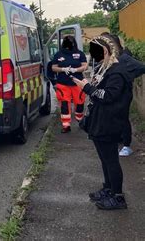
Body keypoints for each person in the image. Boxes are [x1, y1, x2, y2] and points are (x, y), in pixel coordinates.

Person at [72, 35, 129, 210]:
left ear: (104, 51)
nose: (92, 54)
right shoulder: (105, 68)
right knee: (105, 160)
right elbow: (99, 90)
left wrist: (86, 88)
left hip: (109, 123)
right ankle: (109, 189)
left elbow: (107, 96)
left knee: (111, 160)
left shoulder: (117, 72)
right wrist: (87, 84)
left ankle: (118, 197)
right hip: (100, 121)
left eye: (94, 50)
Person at [106, 34, 145, 157]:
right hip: (114, 93)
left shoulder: (124, 57)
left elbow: (141, 67)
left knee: (122, 117)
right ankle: (119, 138)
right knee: (114, 116)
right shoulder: (112, 57)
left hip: (124, 94)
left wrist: (128, 77)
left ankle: (127, 145)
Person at [51, 36, 88, 133]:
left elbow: (85, 66)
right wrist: (63, 69)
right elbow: (54, 67)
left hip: (77, 82)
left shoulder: (80, 54)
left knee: (80, 102)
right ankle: (66, 125)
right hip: (63, 83)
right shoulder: (59, 54)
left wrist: (76, 69)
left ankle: (80, 119)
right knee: (64, 104)